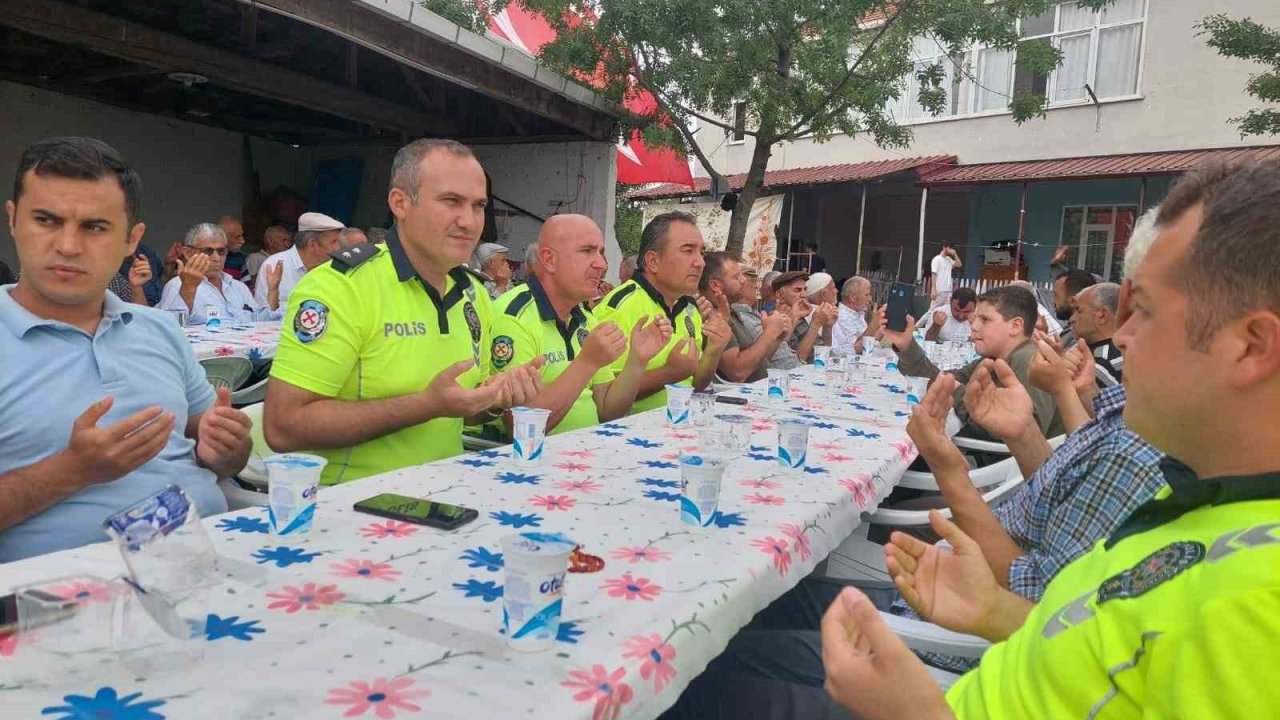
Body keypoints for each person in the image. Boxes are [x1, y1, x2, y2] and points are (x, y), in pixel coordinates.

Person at [817, 158, 1280, 720]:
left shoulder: (1251, 607)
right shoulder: (1198, 494)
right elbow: (1094, 638)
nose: (1123, 336)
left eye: (1148, 312)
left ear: (1252, 347)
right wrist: (995, 612)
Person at [0, 137, 251, 562]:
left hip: (214, 564)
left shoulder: (158, 328)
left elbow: (218, 455)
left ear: (132, 239)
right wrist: (71, 472)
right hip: (64, 602)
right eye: (45, 220)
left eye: (95, 227)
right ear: (12, 221)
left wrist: (228, 451)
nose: (67, 246)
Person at [264, 138, 543, 485]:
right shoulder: (341, 287)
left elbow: (463, 410)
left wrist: (494, 398)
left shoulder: (473, 292)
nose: (470, 221)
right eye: (451, 201)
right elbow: (281, 426)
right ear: (400, 203)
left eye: (478, 205)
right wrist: (425, 405)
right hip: (352, 511)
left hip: (447, 499)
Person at [490, 215, 670, 434]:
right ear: (549, 260)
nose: (602, 264)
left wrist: (637, 360)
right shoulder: (513, 316)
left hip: (584, 457)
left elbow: (607, 411)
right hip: (537, 464)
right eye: (587, 251)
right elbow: (521, 427)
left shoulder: (585, 317)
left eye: (601, 253)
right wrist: (587, 362)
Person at [884, 285, 1065, 442]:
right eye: (976, 318)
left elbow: (1027, 436)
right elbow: (948, 379)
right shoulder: (994, 357)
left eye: (985, 319)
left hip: (997, 471)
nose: (974, 326)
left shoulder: (1030, 361)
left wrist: (960, 393)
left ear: (1015, 326)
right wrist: (907, 347)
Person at [594, 211, 731, 413]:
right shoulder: (619, 306)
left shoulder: (689, 307)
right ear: (653, 261)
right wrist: (668, 373)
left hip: (678, 426)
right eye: (687, 250)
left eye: (701, 252)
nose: (700, 262)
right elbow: (604, 397)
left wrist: (714, 350)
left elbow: (696, 384)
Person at [157, 222, 282, 325]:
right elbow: (169, 329)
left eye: (221, 251)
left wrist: (273, 291)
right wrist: (188, 288)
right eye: (208, 251)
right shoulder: (177, 286)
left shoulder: (238, 287)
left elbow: (260, 321)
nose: (216, 258)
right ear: (188, 253)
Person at [703, 252, 790, 383]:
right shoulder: (713, 316)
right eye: (737, 277)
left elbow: (755, 362)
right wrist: (770, 332)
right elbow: (738, 372)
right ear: (715, 285)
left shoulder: (729, 311)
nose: (743, 281)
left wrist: (776, 337)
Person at [253, 212, 344, 312]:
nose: (339, 248)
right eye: (334, 242)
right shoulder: (274, 265)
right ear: (312, 244)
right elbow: (262, 314)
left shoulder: (334, 268)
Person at [1071, 282, 1124, 385]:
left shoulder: (1100, 363)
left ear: (1102, 316)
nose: (1071, 319)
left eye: (1079, 311)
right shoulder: (1128, 353)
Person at [832, 277, 880, 356]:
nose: (870, 300)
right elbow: (853, 350)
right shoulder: (841, 316)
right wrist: (873, 326)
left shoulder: (858, 314)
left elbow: (871, 343)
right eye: (867, 295)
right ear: (852, 297)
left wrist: (881, 324)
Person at [1052, 267, 1097, 345]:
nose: (1053, 302)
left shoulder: (1081, 337)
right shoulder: (1072, 330)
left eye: (1056, 295)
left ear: (1072, 301)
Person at [218, 215, 248, 280]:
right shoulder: (206, 258)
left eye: (242, 235)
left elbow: (247, 285)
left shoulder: (238, 257)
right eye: (237, 237)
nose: (243, 241)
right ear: (223, 238)